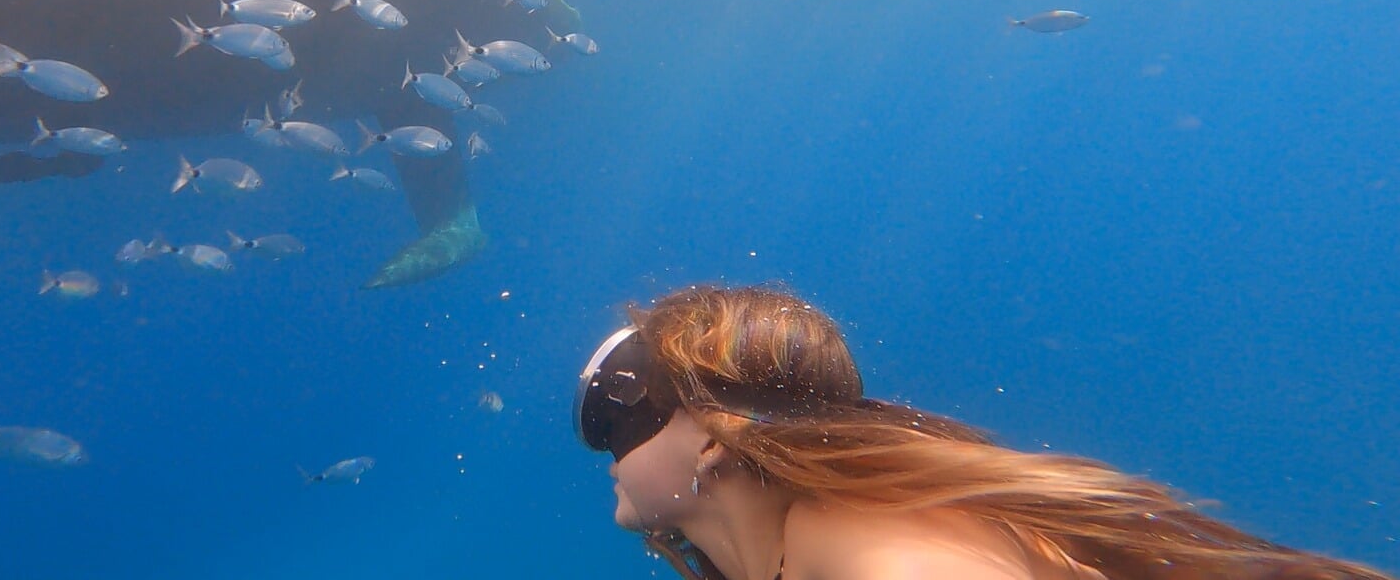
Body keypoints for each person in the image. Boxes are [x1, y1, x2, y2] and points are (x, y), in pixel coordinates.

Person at [573, 284, 1393, 580]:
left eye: (622, 411)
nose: (602, 444)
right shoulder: (806, 544)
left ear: (715, 433)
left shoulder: (865, 541)